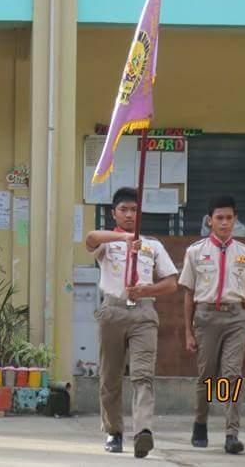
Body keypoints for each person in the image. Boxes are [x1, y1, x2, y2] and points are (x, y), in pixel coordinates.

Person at [85, 187, 180, 459]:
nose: (129, 215)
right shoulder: (108, 243)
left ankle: (143, 431)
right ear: (114, 213)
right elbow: (90, 238)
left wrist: (147, 290)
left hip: (143, 314)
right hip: (113, 312)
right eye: (123, 210)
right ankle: (113, 431)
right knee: (110, 375)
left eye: (134, 210)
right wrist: (125, 238)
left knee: (143, 375)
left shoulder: (152, 245)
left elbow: (171, 283)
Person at [180, 195, 245, 455]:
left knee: (232, 375)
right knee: (206, 376)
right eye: (220, 218)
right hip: (206, 318)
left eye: (229, 218)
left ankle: (232, 433)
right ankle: (200, 421)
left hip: (235, 318)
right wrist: (188, 332)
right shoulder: (195, 252)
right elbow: (188, 294)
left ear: (235, 220)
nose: (225, 223)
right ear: (210, 220)